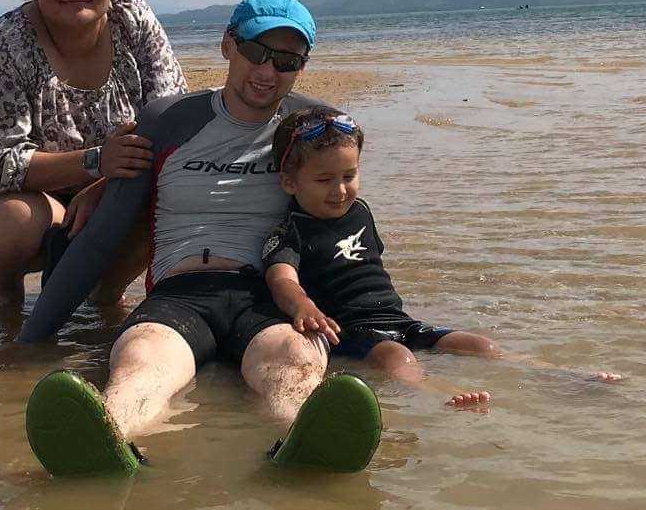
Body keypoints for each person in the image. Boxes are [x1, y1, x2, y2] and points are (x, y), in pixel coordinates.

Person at [19, 0, 383, 476]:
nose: (267, 71)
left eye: (287, 61)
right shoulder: (167, 121)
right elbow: (100, 240)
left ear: (302, 66)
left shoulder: (313, 130)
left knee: (296, 360)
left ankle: (306, 443)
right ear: (228, 44)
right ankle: (108, 440)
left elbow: (341, 237)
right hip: (178, 295)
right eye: (255, 51)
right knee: (141, 362)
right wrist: (32, 339)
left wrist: (382, 331)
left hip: (264, 294)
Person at [263, 105, 623, 405]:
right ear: (290, 181)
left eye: (349, 175)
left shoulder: (361, 212)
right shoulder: (291, 231)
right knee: (396, 357)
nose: (340, 190)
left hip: (400, 321)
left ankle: (559, 375)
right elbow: (281, 279)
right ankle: (439, 393)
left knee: (478, 344)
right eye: (324, 180)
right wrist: (303, 306)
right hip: (350, 332)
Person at [0, 0, 185, 304]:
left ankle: (106, 300)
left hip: (115, 181)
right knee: (17, 224)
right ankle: (8, 298)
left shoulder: (135, 21)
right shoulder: (7, 42)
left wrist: (103, 186)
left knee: (170, 198)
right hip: (15, 193)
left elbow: (172, 123)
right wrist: (97, 161)